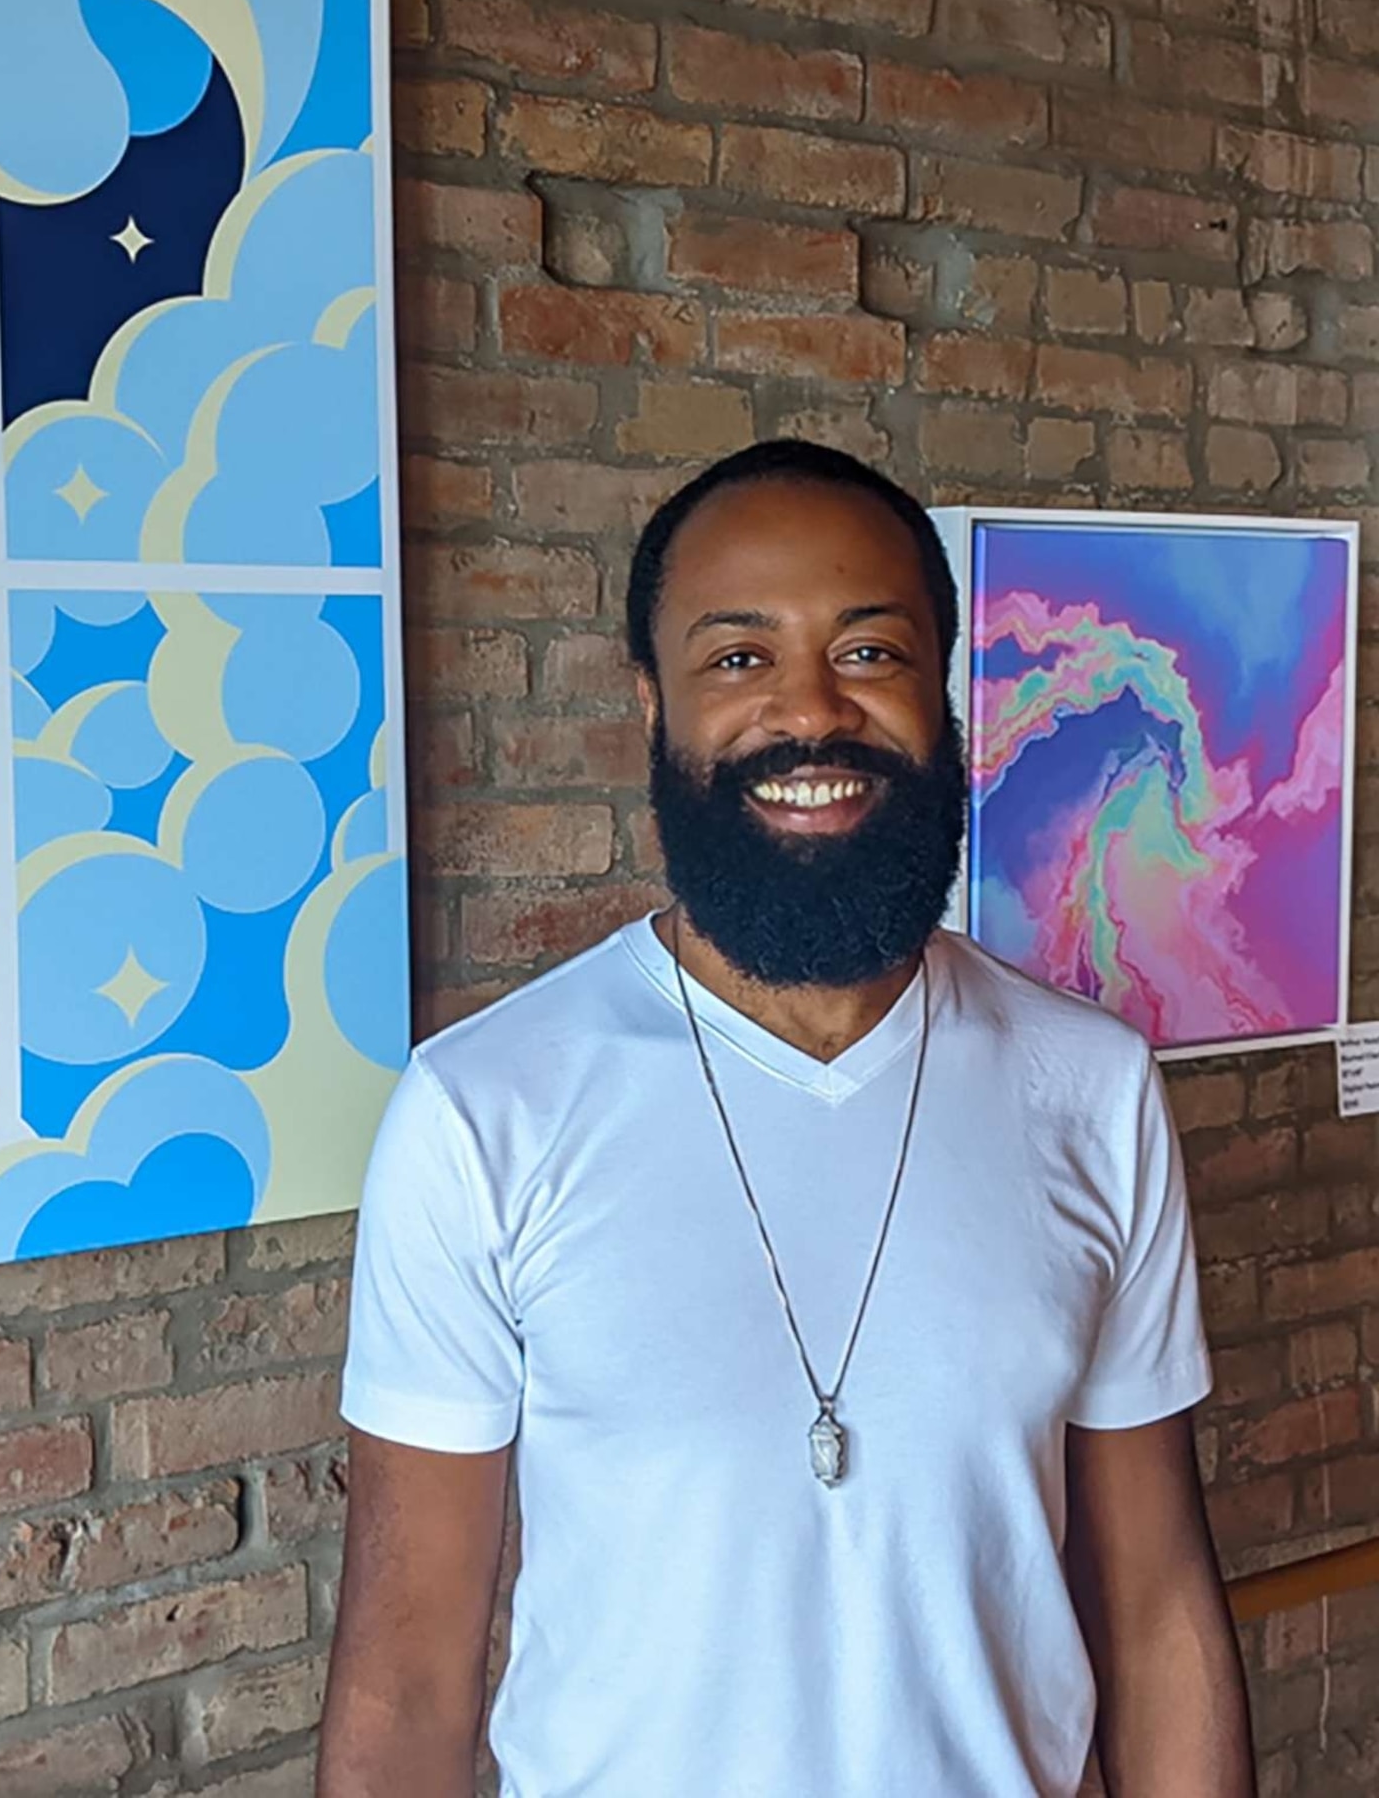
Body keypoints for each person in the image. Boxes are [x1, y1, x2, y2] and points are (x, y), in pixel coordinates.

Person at [319, 440, 1254, 1798]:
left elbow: (1160, 1609)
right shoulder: (486, 1112)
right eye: (740, 659)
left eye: (870, 653)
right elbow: (407, 1676)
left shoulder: (1089, 1089)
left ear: (946, 693)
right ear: (654, 704)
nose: (811, 713)